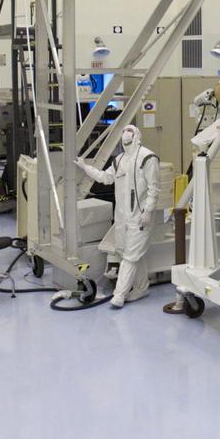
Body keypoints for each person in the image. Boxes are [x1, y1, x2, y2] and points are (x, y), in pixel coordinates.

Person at [76, 125, 159, 308]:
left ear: (137, 136)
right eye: (124, 132)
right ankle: (141, 287)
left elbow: (154, 188)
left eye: (130, 131)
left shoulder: (147, 157)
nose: (126, 135)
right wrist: (84, 167)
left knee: (130, 256)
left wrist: (148, 211)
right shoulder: (119, 160)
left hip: (140, 218)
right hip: (122, 218)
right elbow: (105, 178)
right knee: (129, 253)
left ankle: (119, 295)